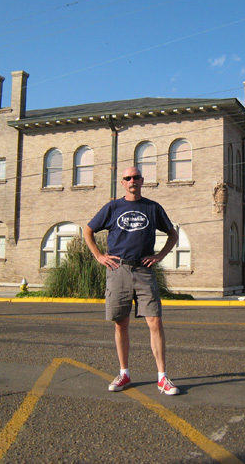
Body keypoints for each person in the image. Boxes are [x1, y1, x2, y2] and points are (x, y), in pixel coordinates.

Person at [83, 166, 180, 394]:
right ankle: (124, 374)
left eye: (136, 177)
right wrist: (99, 256)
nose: (132, 181)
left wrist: (160, 255)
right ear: (123, 183)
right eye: (128, 178)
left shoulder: (152, 208)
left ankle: (162, 377)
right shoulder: (113, 207)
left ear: (142, 181)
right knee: (121, 322)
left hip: (144, 271)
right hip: (118, 269)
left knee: (154, 321)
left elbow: (172, 233)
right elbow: (88, 230)